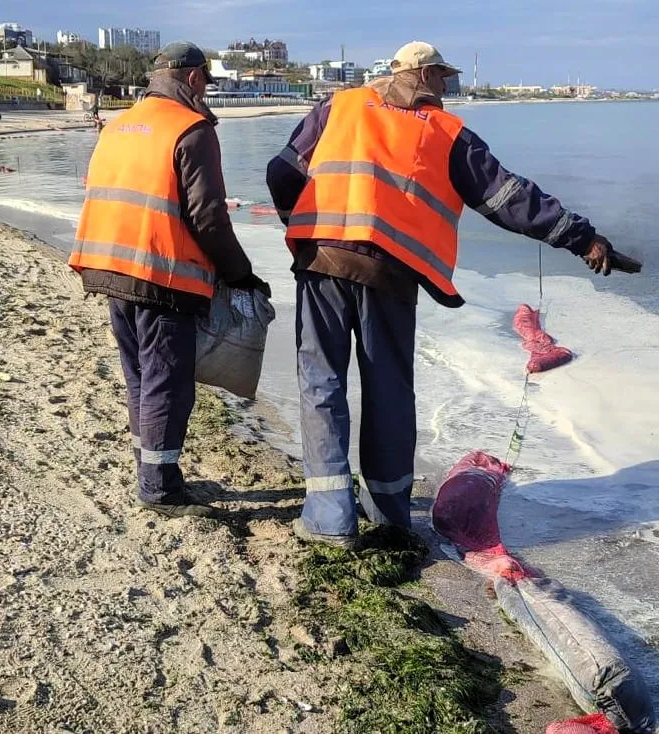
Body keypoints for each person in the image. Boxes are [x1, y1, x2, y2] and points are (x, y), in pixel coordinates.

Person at [266, 42, 635, 548]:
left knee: (321, 383)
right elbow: (510, 199)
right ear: (424, 76)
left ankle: (329, 519)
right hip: (390, 275)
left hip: (321, 264)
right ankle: (388, 515)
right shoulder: (445, 133)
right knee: (389, 391)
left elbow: (281, 172)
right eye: (443, 76)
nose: (447, 85)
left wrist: (301, 227)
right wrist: (583, 238)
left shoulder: (338, 107)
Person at [68, 42, 269, 518]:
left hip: (108, 264)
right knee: (167, 383)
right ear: (195, 78)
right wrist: (241, 274)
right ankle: (159, 490)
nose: (207, 93)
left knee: (140, 377)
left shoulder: (119, 126)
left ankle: (152, 472)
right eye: (207, 84)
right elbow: (209, 218)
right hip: (160, 276)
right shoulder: (191, 129)